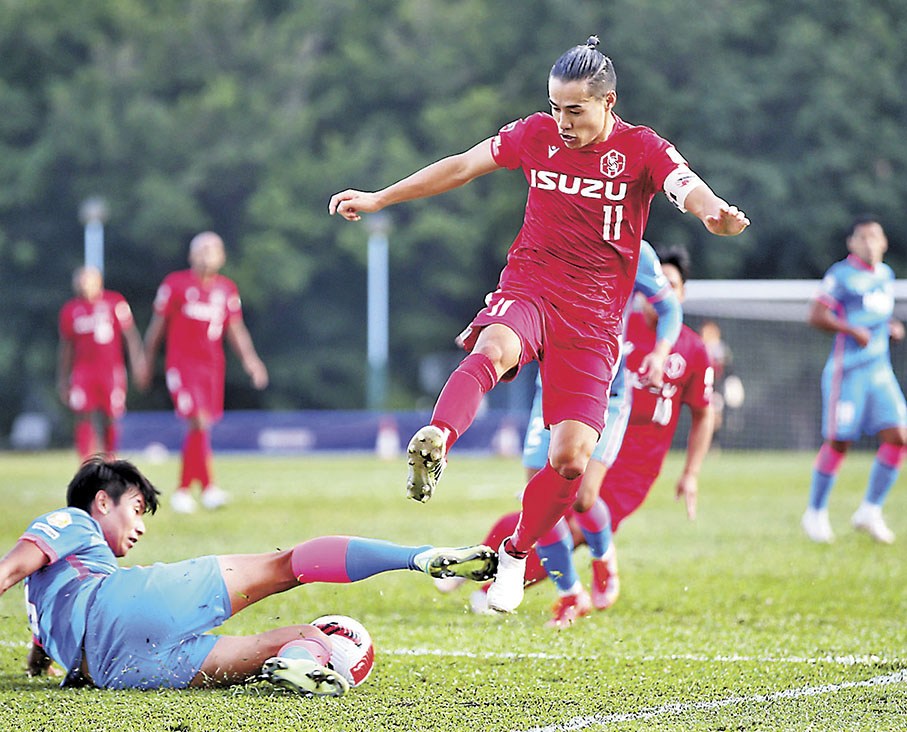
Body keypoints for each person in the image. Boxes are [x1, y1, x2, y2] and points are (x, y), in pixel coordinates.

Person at [329, 36, 749, 612]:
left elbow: (687, 187)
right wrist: (380, 198)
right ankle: (439, 438)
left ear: (608, 102)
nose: (562, 121)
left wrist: (714, 214)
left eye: (574, 110)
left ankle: (516, 554)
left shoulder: (641, 149)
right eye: (555, 107)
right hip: (531, 287)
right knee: (494, 347)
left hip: (594, 321)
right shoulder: (535, 134)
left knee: (571, 461)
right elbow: (462, 166)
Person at [0, 457, 497, 695]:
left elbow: (43, 624)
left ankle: (300, 662)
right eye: (136, 508)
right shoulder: (74, 520)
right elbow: (11, 568)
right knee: (285, 566)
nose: (142, 525)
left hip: (115, 672)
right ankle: (418, 557)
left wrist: (38, 664)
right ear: (102, 502)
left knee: (306, 638)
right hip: (125, 608)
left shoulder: (50, 590)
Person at [459, 248, 715, 625]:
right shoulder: (552, 243)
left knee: (582, 501)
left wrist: (661, 353)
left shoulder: (630, 251)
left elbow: (671, 313)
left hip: (610, 408)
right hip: (554, 392)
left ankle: (602, 558)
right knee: (537, 505)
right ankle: (567, 593)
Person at [140, 232, 269, 514]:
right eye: (201, 249)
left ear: (222, 257)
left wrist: (251, 361)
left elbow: (235, 329)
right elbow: (157, 326)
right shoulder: (175, 284)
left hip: (211, 367)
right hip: (181, 365)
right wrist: (145, 360)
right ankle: (185, 490)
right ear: (191, 255)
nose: (207, 254)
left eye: (213, 249)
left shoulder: (226, 289)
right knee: (197, 420)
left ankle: (207, 488)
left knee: (202, 426)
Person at [802, 215, 906, 544]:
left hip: (880, 371)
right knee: (839, 441)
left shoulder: (886, 275)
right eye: (862, 237)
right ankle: (815, 512)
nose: (869, 243)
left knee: (899, 437)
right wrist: (851, 330)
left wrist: (890, 327)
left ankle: (870, 510)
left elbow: (875, 314)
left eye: (875, 237)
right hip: (847, 372)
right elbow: (816, 315)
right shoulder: (840, 274)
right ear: (851, 243)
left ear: (884, 242)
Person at [57, 266, 147, 459]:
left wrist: (138, 363)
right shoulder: (70, 310)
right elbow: (66, 347)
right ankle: (86, 461)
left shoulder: (115, 302)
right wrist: (63, 380)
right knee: (83, 414)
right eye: (80, 280)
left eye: (87, 279)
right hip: (83, 371)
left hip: (111, 370)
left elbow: (130, 336)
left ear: (98, 281)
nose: (83, 284)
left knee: (111, 416)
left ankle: (110, 458)